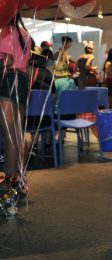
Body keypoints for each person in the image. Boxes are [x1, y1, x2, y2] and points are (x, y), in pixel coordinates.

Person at [0, 13, 32, 195]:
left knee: (9, 135)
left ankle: (9, 184)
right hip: (22, 81)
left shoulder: (5, 32)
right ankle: (19, 179)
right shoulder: (25, 34)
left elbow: (7, 61)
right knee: (18, 135)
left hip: (8, 80)